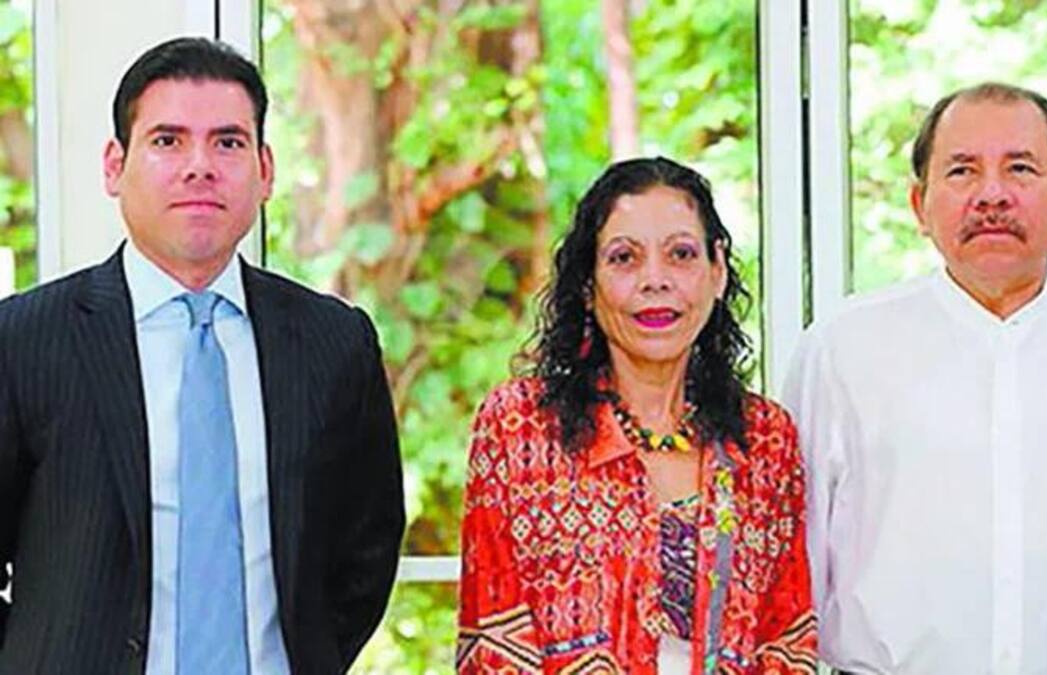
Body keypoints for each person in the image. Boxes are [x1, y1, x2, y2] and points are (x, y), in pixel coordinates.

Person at [0, 37, 404, 674]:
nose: (200, 166)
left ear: (265, 169)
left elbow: (366, 553)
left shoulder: (334, 344)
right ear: (114, 165)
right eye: (167, 140)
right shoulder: (23, 338)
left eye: (228, 142)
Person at [783, 82, 1047, 674]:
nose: (992, 195)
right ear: (918, 204)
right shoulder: (841, 350)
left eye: (1021, 168)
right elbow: (792, 559)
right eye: (962, 171)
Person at [456, 157, 816, 673]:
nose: (655, 280)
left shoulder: (765, 440)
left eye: (681, 255)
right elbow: (492, 639)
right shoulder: (520, 425)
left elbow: (788, 638)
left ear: (717, 273)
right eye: (624, 258)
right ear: (588, 284)